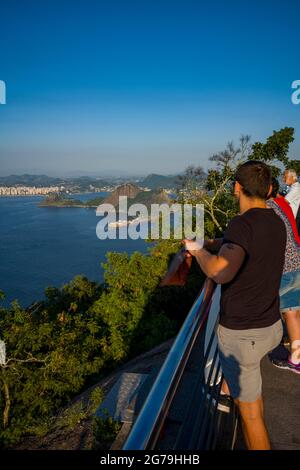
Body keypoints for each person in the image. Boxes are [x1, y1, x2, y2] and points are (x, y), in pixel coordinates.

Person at [184, 161, 286, 450]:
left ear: (236, 188)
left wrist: (199, 250)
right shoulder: (275, 221)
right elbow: (245, 247)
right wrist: (216, 242)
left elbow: (220, 271)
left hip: (244, 335)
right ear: (268, 190)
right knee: (251, 399)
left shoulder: (242, 223)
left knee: (251, 416)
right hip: (269, 326)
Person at [267, 179, 300, 373]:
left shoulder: (267, 209)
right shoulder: (283, 204)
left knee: (267, 309)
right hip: (297, 261)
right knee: (292, 312)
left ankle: (272, 348)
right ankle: (296, 358)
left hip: (283, 268)